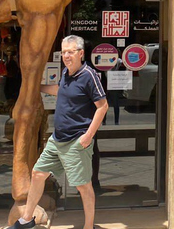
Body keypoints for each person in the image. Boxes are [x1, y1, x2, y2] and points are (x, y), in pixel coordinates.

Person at [10, 35, 107, 229]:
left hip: (76, 140)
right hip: (57, 138)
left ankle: (89, 226)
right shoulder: (66, 73)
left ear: (81, 53)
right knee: (37, 173)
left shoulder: (89, 75)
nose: (66, 56)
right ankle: (26, 219)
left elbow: (103, 106)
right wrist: (37, 88)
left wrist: (88, 137)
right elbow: (61, 90)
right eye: (63, 52)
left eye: (70, 52)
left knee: (83, 186)